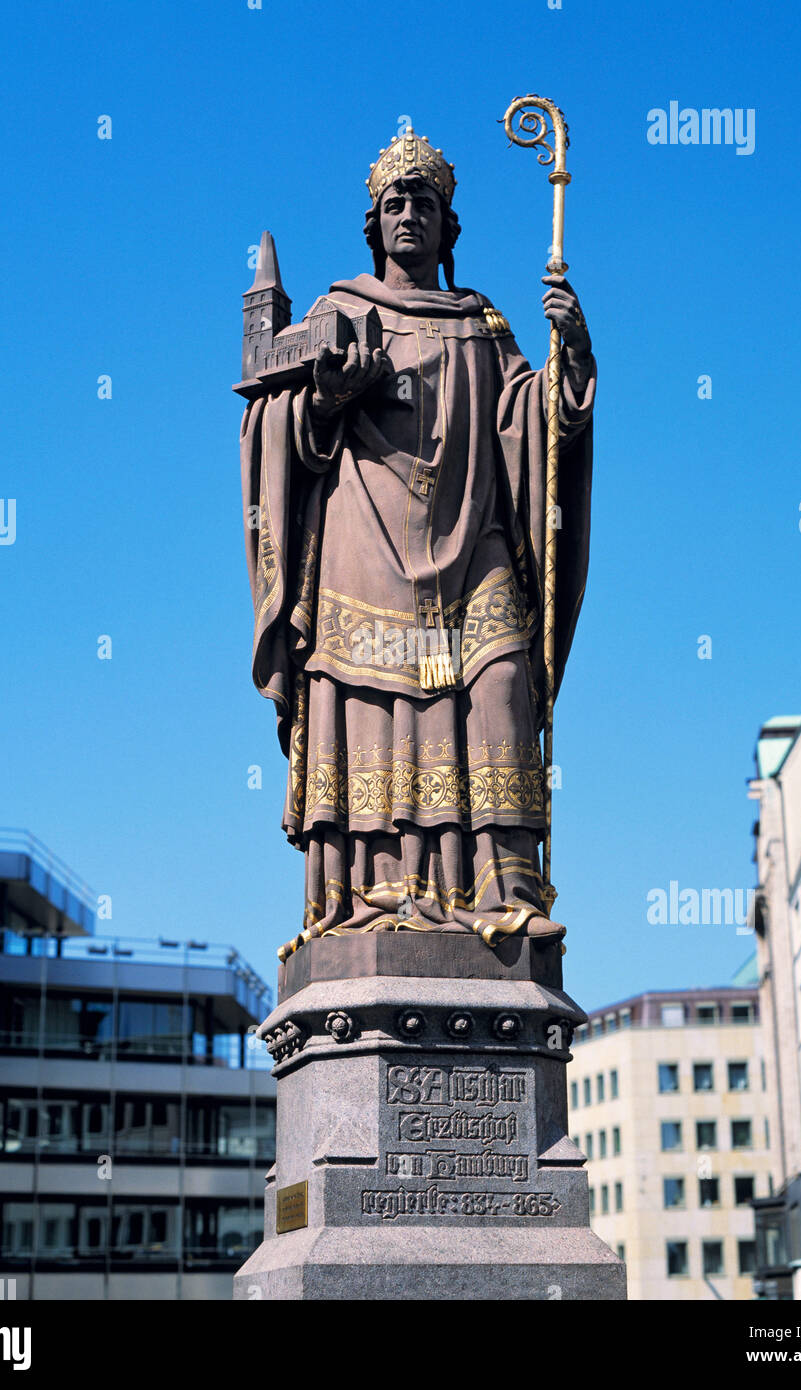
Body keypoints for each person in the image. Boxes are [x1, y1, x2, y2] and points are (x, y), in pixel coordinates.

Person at [240, 129, 595, 957]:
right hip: (365, 550)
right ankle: (367, 897)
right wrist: (324, 402)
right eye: (394, 204)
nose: (408, 216)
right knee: (367, 708)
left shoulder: (482, 323)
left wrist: (569, 358)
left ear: (447, 224)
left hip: (473, 547)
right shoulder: (338, 313)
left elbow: (533, 431)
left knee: (503, 681)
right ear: (374, 223)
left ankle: (502, 891)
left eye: (423, 204)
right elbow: (272, 422)